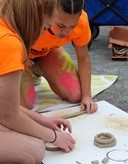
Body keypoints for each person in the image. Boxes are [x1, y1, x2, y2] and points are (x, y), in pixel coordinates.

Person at [0, 0, 76, 163]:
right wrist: (54, 136)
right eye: (44, 27)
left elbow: (5, 106)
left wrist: (42, 120)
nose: (42, 34)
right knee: (33, 150)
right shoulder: (10, 44)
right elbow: (8, 115)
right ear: (33, 20)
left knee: (28, 132)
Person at [20, 0, 98, 113]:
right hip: (20, 54)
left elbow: (83, 58)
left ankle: (37, 69)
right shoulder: (31, 15)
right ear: (48, 13)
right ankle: (29, 69)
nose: (66, 32)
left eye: (73, 26)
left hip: (46, 52)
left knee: (75, 95)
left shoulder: (81, 21)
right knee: (24, 105)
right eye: (60, 25)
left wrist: (87, 96)